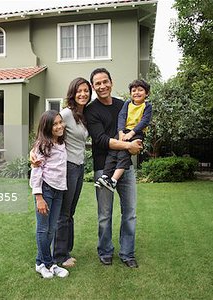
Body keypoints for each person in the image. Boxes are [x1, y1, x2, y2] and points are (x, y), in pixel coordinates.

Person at [84, 68, 142, 268]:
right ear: (93, 87)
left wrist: (136, 144)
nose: (102, 86)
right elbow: (100, 140)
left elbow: (134, 129)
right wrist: (128, 145)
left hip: (125, 167)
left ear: (111, 82)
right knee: (104, 214)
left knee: (130, 212)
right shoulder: (91, 110)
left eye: (105, 82)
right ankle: (105, 250)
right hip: (104, 169)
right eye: (97, 83)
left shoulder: (123, 105)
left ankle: (127, 253)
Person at [53, 77, 91, 268]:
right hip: (68, 167)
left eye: (86, 91)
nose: (83, 94)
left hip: (79, 166)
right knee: (64, 213)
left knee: (70, 212)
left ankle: (66, 251)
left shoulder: (82, 115)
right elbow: (50, 130)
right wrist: (37, 153)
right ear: (73, 94)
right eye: (79, 91)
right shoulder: (66, 114)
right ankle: (59, 256)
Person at [29, 110, 70, 279]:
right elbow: (36, 170)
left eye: (60, 122)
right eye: (55, 124)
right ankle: (48, 263)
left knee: (52, 229)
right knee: (43, 229)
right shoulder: (42, 145)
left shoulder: (60, 143)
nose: (59, 126)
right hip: (45, 190)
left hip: (59, 190)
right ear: (47, 126)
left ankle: (42, 262)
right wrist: (39, 197)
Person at [95, 79, 152, 191]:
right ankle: (105, 176)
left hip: (137, 133)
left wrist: (131, 133)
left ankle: (114, 180)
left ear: (146, 93)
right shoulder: (127, 104)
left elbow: (144, 121)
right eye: (134, 90)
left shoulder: (147, 106)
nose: (137, 93)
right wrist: (121, 132)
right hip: (123, 131)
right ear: (130, 93)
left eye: (140, 90)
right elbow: (121, 117)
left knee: (123, 155)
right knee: (112, 152)